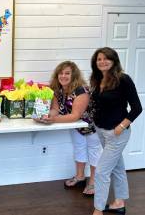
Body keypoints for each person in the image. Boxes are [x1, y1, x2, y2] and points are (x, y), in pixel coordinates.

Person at [34, 61, 102, 196]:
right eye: (61, 73)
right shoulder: (56, 90)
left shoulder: (81, 90)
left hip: (92, 125)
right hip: (75, 125)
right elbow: (55, 109)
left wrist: (52, 120)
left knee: (94, 152)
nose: (63, 76)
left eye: (67, 73)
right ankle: (80, 177)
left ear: (74, 75)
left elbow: (75, 115)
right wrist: (47, 116)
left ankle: (94, 182)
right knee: (79, 147)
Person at [91, 47, 142, 215]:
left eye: (106, 58)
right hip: (101, 130)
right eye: (99, 59)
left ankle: (98, 210)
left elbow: (137, 108)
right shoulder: (97, 79)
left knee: (101, 171)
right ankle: (119, 202)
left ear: (114, 61)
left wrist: (121, 127)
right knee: (117, 167)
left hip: (117, 133)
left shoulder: (123, 79)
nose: (102, 62)